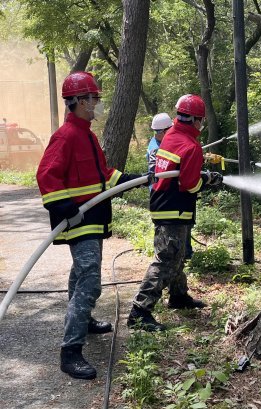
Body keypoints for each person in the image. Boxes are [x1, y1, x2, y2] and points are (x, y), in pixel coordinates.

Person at [36, 71, 150, 380]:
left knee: (80, 275)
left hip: (94, 219)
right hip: (80, 222)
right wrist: (64, 208)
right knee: (90, 283)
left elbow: (103, 175)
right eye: (94, 98)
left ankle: (83, 323)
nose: (98, 104)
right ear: (78, 102)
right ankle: (70, 351)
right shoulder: (66, 136)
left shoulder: (87, 134)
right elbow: (46, 176)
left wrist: (133, 180)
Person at [127, 94, 223, 332]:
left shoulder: (171, 136)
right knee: (167, 259)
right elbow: (190, 184)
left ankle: (179, 296)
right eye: (200, 120)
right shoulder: (191, 146)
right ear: (195, 120)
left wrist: (200, 175)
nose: (201, 125)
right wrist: (207, 180)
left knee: (177, 254)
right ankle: (139, 312)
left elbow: (179, 173)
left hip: (164, 201)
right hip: (174, 206)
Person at [146, 112, 194, 259]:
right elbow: (159, 172)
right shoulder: (155, 148)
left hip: (168, 193)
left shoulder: (164, 142)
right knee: (168, 233)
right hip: (163, 194)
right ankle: (170, 256)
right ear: (161, 132)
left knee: (183, 227)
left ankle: (184, 253)